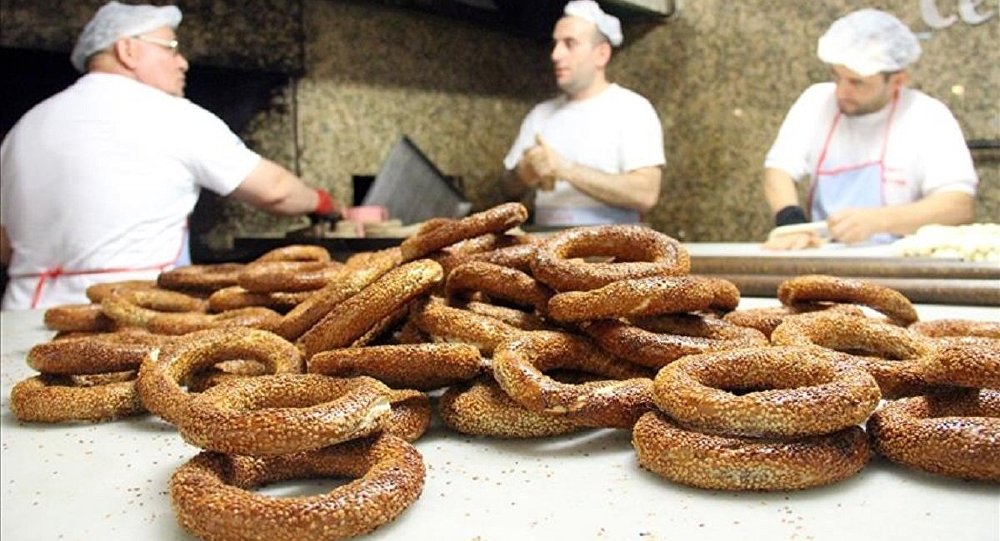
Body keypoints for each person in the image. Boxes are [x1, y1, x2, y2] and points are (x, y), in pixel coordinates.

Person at [0, 1, 341, 310]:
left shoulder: (25, 127)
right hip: (122, 317)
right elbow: (275, 191)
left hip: (20, 313)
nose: (183, 61)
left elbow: (5, 244)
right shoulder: (171, 114)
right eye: (171, 48)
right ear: (128, 50)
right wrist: (323, 202)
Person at [762, 8, 978, 250]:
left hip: (902, 264)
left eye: (857, 83)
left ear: (897, 81)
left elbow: (958, 205)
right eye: (837, 77)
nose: (842, 91)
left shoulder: (928, 116)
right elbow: (778, 169)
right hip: (825, 260)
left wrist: (879, 220)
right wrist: (791, 221)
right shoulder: (815, 102)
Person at [501, 0, 665, 226]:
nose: (556, 55)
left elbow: (646, 193)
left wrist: (566, 169)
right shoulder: (540, 114)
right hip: (545, 244)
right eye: (555, 44)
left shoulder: (632, 110)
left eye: (570, 44)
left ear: (601, 54)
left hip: (613, 250)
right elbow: (508, 189)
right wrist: (524, 172)